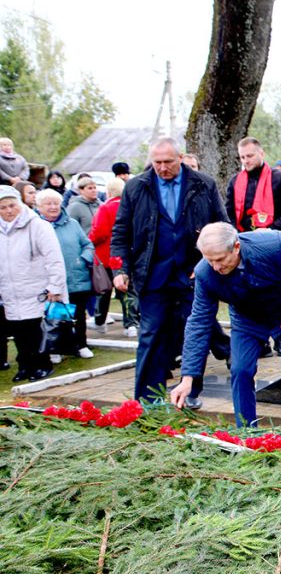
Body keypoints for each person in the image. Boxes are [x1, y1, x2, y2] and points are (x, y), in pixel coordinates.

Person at [111, 136, 230, 404]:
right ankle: (147, 399)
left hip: (192, 274)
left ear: (180, 157)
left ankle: (191, 393)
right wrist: (120, 269)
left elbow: (222, 226)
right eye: (157, 162)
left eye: (167, 162)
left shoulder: (203, 185)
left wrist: (205, 263)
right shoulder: (135, 187)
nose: (162, 168)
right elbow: (120, 232)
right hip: (152, 275)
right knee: (151, 335)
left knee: (195, 333)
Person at [170, 223, 281, 429]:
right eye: (209, 260)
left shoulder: (274, 243)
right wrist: (188, 378)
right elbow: (199, 323)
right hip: (246, 321)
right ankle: (247, 433)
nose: (216, 267)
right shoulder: (205, 273)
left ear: (236, 247)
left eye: (220, 259)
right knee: (240, 370)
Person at [0, 185, 64, 381]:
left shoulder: (38, 226)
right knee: (18, 332)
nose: (9, 211)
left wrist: (55, 286)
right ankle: (25, 366)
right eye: (3, 207)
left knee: (35, 329)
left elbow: (54, 258)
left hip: (36, 288)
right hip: (10, 289)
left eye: (12, 205)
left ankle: (43, 365)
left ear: (19, 204)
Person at [36, 188, 96, 359]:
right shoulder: (37, 226)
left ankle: (81, 344)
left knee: (78, 314)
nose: (53, 207)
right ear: (39, 206)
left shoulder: (72, 224)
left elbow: (87, 244)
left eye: (56, 203)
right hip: (50, 279)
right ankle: (56, 348)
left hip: (76, 276)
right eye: (48, 203)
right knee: (55, 315)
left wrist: (83, 259)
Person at [226, 137, 281, 235]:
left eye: (250, 156)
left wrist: (271, 229)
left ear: (261, 154)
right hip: (244, 239)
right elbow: (229, 213)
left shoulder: (280, 178)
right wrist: (236, 232)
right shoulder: (234, 181)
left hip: (276, 238)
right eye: (242, 157)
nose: (246, 161)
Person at [90, 177, 137, 336]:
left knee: (104, 291)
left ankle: (99, 321)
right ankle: (130, 323)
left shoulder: (105, 208)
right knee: (127, 290)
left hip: (106, 255)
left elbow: (99, 232)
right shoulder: (131, 207)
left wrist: (91, 241)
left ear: (108, 192)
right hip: (127, 255)